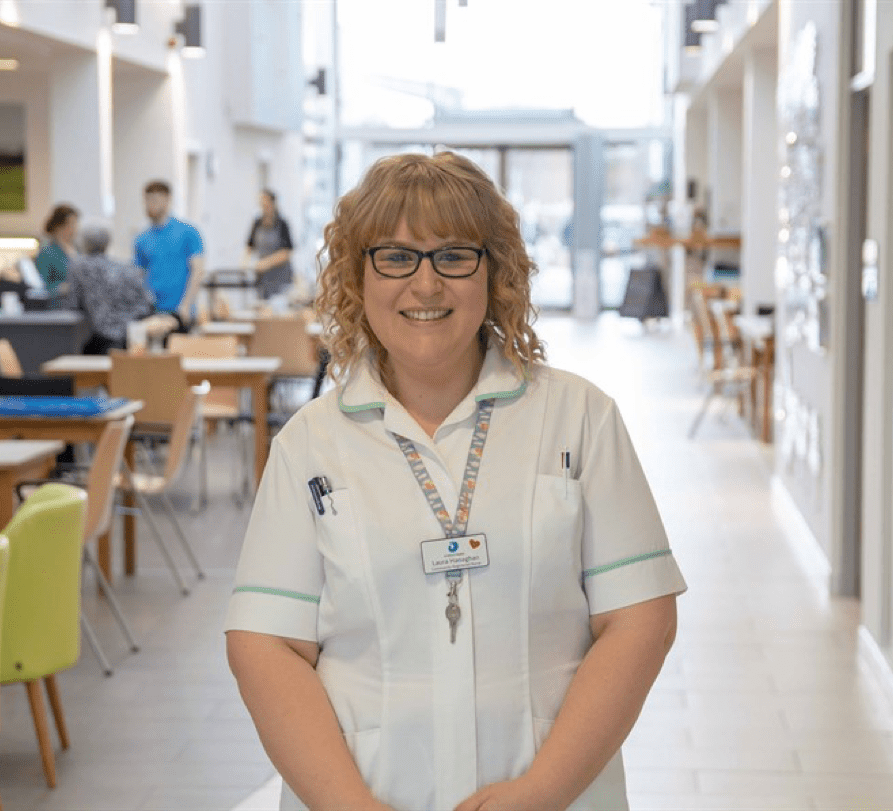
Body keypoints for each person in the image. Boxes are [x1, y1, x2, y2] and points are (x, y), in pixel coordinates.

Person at [224, 152, 686, 811]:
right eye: (396, 256)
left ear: (494, 272)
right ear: (358, 275)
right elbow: (264, 643)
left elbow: (641, 619)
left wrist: (541, 791)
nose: (426, 284)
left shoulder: (580, 418)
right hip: (362, 791)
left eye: (453, 256)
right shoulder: (310, 443)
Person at [67, 222, 166, 354]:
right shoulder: (125, 267)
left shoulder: (78, 267)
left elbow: (73, 303)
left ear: (83, 242)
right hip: (133, 336)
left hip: (102, 338)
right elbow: (148, 302)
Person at [134, 180, 204, 327]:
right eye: (146, 200)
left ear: (167, 200)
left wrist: (186, 305)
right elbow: (138, 275)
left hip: (180, 311)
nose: (149, 205)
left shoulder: (188, 232)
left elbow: (197, 271)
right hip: (153, 312)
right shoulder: (142, 239)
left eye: (154, 200)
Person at [243, 188, 295, 299]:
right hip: (262, 277)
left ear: (273, 203)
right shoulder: (257, 223)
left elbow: (287, 252)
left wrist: (266, 263)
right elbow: (249, 246)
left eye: (266, 202)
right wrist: (245, 264)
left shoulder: (282, 224)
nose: (263, 205)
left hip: (280, 277)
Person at [35, 203, 80, 301]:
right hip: (58, 306)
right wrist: (62, 288)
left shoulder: (79, 250)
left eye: (75, 223)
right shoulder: (47, 253)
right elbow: (41, 286)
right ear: (58, 226)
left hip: (78, 306)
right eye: (70, 224)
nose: (75, 228)